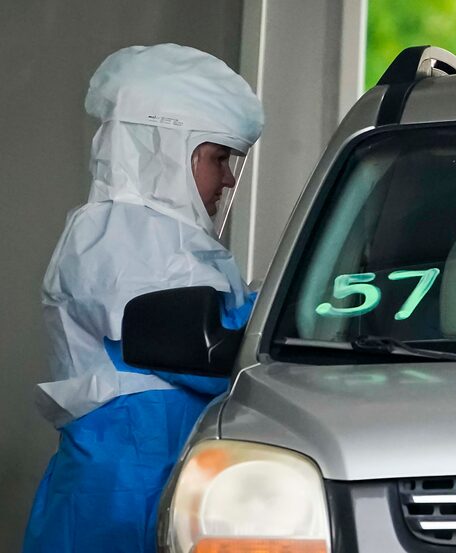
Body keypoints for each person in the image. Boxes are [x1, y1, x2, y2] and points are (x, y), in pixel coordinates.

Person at [22, 44, 264, 552]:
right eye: (219, 158)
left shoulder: (167, 238)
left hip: (166, 477)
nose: (228, 179)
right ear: (165, 148)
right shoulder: (118, 233)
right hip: (121, 494)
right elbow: (202, 349)